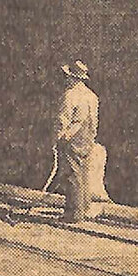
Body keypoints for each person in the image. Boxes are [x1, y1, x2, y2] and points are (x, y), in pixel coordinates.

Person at [53, 60, 99, 223]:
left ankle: (74, 213)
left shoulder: (69, 95)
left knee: (72, 174)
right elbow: (94, 121)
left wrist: (59, 138)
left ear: (73, 78)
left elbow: (62, 120)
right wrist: (91, 138)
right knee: (84, 172)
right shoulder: (92, 96)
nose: (66, 79)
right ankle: (85, 207)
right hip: (87, 137)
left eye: (67, 77)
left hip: (72, 137)